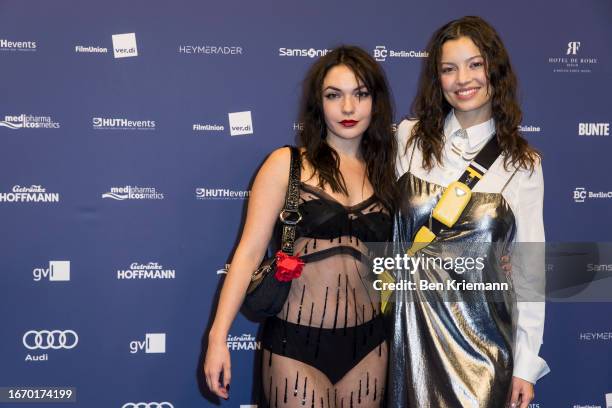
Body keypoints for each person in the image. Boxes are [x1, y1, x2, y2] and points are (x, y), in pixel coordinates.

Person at [204, 45, 397, 407]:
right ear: (318, 104)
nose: (348, 108)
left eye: (361, 94)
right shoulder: (286, 164)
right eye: (334, 95)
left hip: (371, 345)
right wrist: (218, 338)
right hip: (294, 346)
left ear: (376, 101)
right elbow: (246, 254)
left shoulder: (389, 174)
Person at [387, 16, 550, 408]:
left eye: (475, 64)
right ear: (437, 79)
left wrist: (526, 365)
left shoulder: (521, 164)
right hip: (407, 336)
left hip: (483, 346)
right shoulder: (407, 139)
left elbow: (530, 268)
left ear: (495, 69)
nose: (463, 79)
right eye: (449, 68)